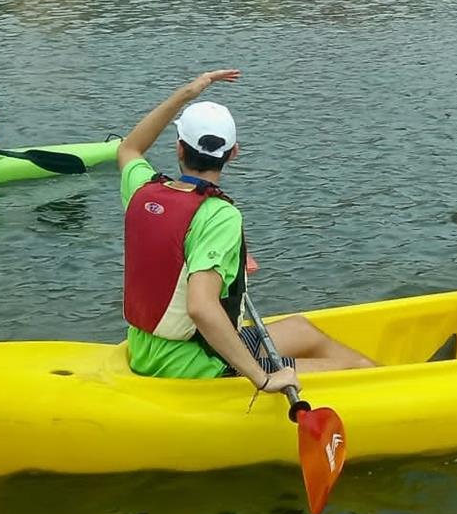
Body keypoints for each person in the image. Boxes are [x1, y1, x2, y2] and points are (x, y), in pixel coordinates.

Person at [117, 69, 384, 393]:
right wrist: (264, 378)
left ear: (179, 149)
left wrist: (187, 93)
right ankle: (403, 393)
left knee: (302, 329)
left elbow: (130, 148)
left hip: (152, 349)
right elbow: (201, 307)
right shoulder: (219, 216)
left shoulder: (142, 191)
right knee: (359, 369)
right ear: (233, 153)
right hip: (192, 365)